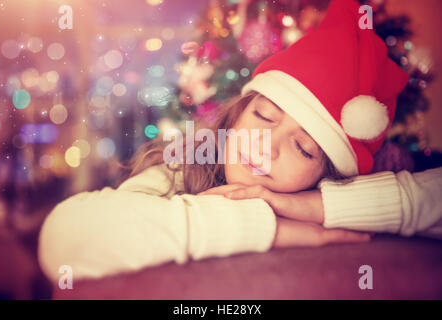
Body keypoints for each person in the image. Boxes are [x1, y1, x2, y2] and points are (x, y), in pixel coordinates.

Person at [37, 0, 438, 283]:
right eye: (263, 115)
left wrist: (313, 208)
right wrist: (271, 227)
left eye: (304, 147)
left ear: (327, 172)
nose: (267, 144)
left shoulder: (334, 203)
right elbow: (63, 239)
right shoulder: (174, 176)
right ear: (236, 116)